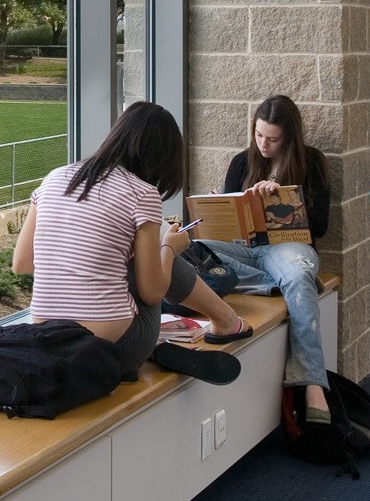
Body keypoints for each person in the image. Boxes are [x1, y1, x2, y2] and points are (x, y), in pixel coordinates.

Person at [14, 101, 249, 385]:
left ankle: (185, 336)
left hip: (50, 342)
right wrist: (169, 248)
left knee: (126, 257)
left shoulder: (54, 178)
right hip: (116, 348)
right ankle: (224, 320)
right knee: (159, 253)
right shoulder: (143, 193)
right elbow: (152, 294)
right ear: (162, 156)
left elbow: (22, 264)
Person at [175, 96, 334, 424]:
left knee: (295, 270)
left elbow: (320, 226)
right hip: (245, 250)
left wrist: (283, 200)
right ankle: (284, 283)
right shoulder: (241, 162)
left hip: (288, 247)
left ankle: (313, 383)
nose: (264, 144)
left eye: (273, 139)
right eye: (259, 135)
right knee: (194, 246)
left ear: (289, 137)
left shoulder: (312, 163)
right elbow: (227, 222)